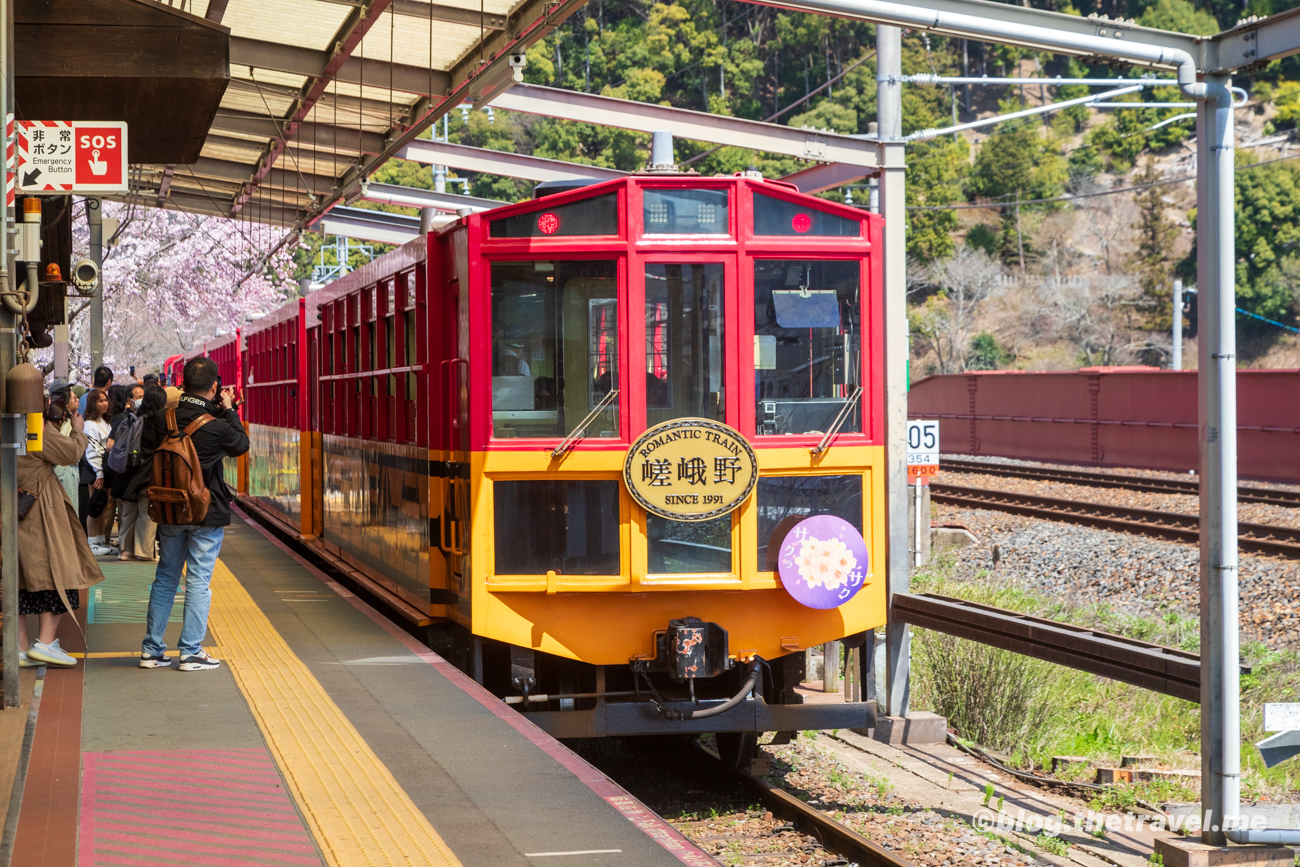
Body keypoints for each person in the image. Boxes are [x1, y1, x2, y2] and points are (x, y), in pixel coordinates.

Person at [130, 356, 248, 671]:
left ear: (182, 384)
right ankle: (190, 651)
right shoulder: (219, 426)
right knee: (198, 580)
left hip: (170, 509)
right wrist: (230, 409)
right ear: (214, 387)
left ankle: (151, 651)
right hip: (205, 513)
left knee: (166, 576)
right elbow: (241, 444)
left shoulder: (160, 418)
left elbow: (148, 452)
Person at [17, 388, 106, 668]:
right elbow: (69, 453)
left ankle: (18, 647)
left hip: (13, 506)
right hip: (40, 509)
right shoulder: (31, 424)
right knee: (58, 571)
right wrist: (77, 431)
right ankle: (45, 642)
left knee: (16, 580)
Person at [110, 385, 164, 561]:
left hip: (129, 471)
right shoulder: (160, 421)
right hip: (149, 472)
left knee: (128, 512)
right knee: (147, 512)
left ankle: (125, 551)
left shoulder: (134, 418)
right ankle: (143, 552)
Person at [80, 387, 118, 556]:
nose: (104, 403)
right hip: (96, 469)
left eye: (105, 400)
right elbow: (92, 451)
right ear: (92, 403)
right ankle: (92, 542)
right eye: (100, 401)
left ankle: (101, 540)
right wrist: (100, 474)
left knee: (103, 506)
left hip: (104, 468)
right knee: (95, 506)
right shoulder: (89, 424)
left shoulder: (104, 421)